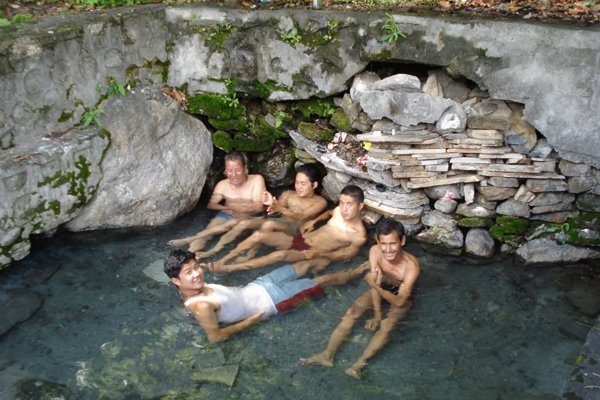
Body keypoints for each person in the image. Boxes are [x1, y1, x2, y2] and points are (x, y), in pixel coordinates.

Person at [164, 249, 369, 344]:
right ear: (176, 280)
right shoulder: (201, 306)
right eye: (188, 272)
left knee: (305, 264)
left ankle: (345, 254)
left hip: (260, 284)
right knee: (322, 281)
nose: (197, 273)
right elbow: (215, 337)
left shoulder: (189, 292)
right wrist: (250, 321)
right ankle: (360, 271)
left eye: (196, 267)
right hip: (273, 300)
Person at [301, 217, 420, 379]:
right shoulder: (375, 252)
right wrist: (376, 314)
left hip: (402, 295)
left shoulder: (411, 267)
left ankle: (357, 366)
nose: (388, 249)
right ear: (377, 241)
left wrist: (376, 289)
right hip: (381, 286)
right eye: (383, 244)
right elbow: (375, 283)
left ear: (402, 241)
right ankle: (327, 355)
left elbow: (399, 301)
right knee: (352, 313)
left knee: (387, 324)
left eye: (392, 243)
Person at [209, 185, 367, 274]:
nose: (344, 208)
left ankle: (231, 268)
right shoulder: (339, 211)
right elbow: (329, 212)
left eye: (349, 204)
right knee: (259, 235)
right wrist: (314, 221)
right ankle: (223, 259)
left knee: (280, 255)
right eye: (342, 202)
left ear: (360, 206)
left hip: (310, 252)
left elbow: (345, 256)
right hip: (302, 240)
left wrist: (319, 255)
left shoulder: (359, 236)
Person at [194, 163, 328, 260]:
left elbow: (302, 216)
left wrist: (279, 208)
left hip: (295, 229)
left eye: (303, 184)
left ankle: (249, 254)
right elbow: (275, 211)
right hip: (280, 221)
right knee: (243, 223)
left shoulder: (320, 202)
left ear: (314, 185)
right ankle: (213, 251)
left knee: (269, 225)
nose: (298, 187)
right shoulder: (288, 194)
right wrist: (271, 205)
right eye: (297, 182)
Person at [167, 151, 266, 253]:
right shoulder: (222, 185)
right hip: (227, 214)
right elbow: (211, 205)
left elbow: (258, 207)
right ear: (225, 171)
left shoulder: (256, 180)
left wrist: (242, 210)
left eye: (237, 170)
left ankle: (189, 239)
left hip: (250, 217)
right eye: (230, 171)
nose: (234, 175)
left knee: (225, 227)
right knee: (206, 233)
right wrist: (227, 209)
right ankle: (189, 254)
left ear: (245, 169)